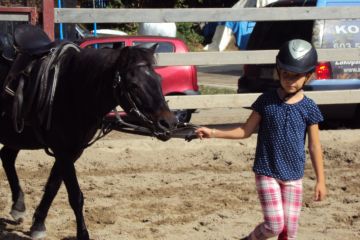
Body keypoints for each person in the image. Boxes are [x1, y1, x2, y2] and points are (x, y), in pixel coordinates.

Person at [195, 39, 326, 240]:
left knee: (289, 233)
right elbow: (245, 130)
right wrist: (213, 132)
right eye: (285, 75)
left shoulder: (309, 108)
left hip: (294, 176)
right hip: (267, 171)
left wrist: (320, 181)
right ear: (278, 71)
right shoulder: (266, 101)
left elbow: (315, 145)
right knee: (274, 225)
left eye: (296, 76)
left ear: (308, 76)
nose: (290, 81)